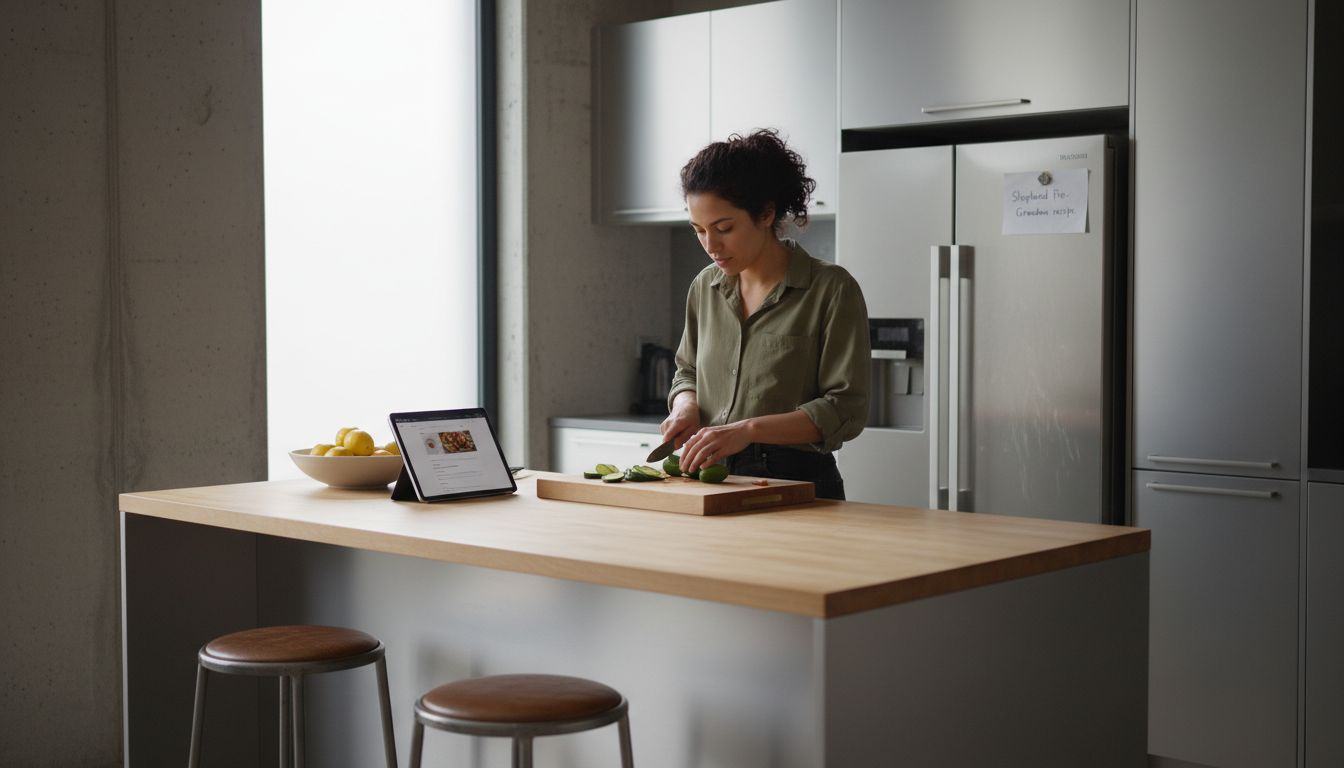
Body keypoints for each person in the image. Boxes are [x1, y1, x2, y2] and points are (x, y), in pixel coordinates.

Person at [662, 129, 870, 500]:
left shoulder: (831, 289)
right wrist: (686, 406)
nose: (711, 245)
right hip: (709, 478)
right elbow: (688, 371)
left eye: (724, 228)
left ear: (766, 213)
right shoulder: (704, 288)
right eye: (699, 231)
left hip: (796, 483)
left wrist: (747, 430)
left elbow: (845, 408)